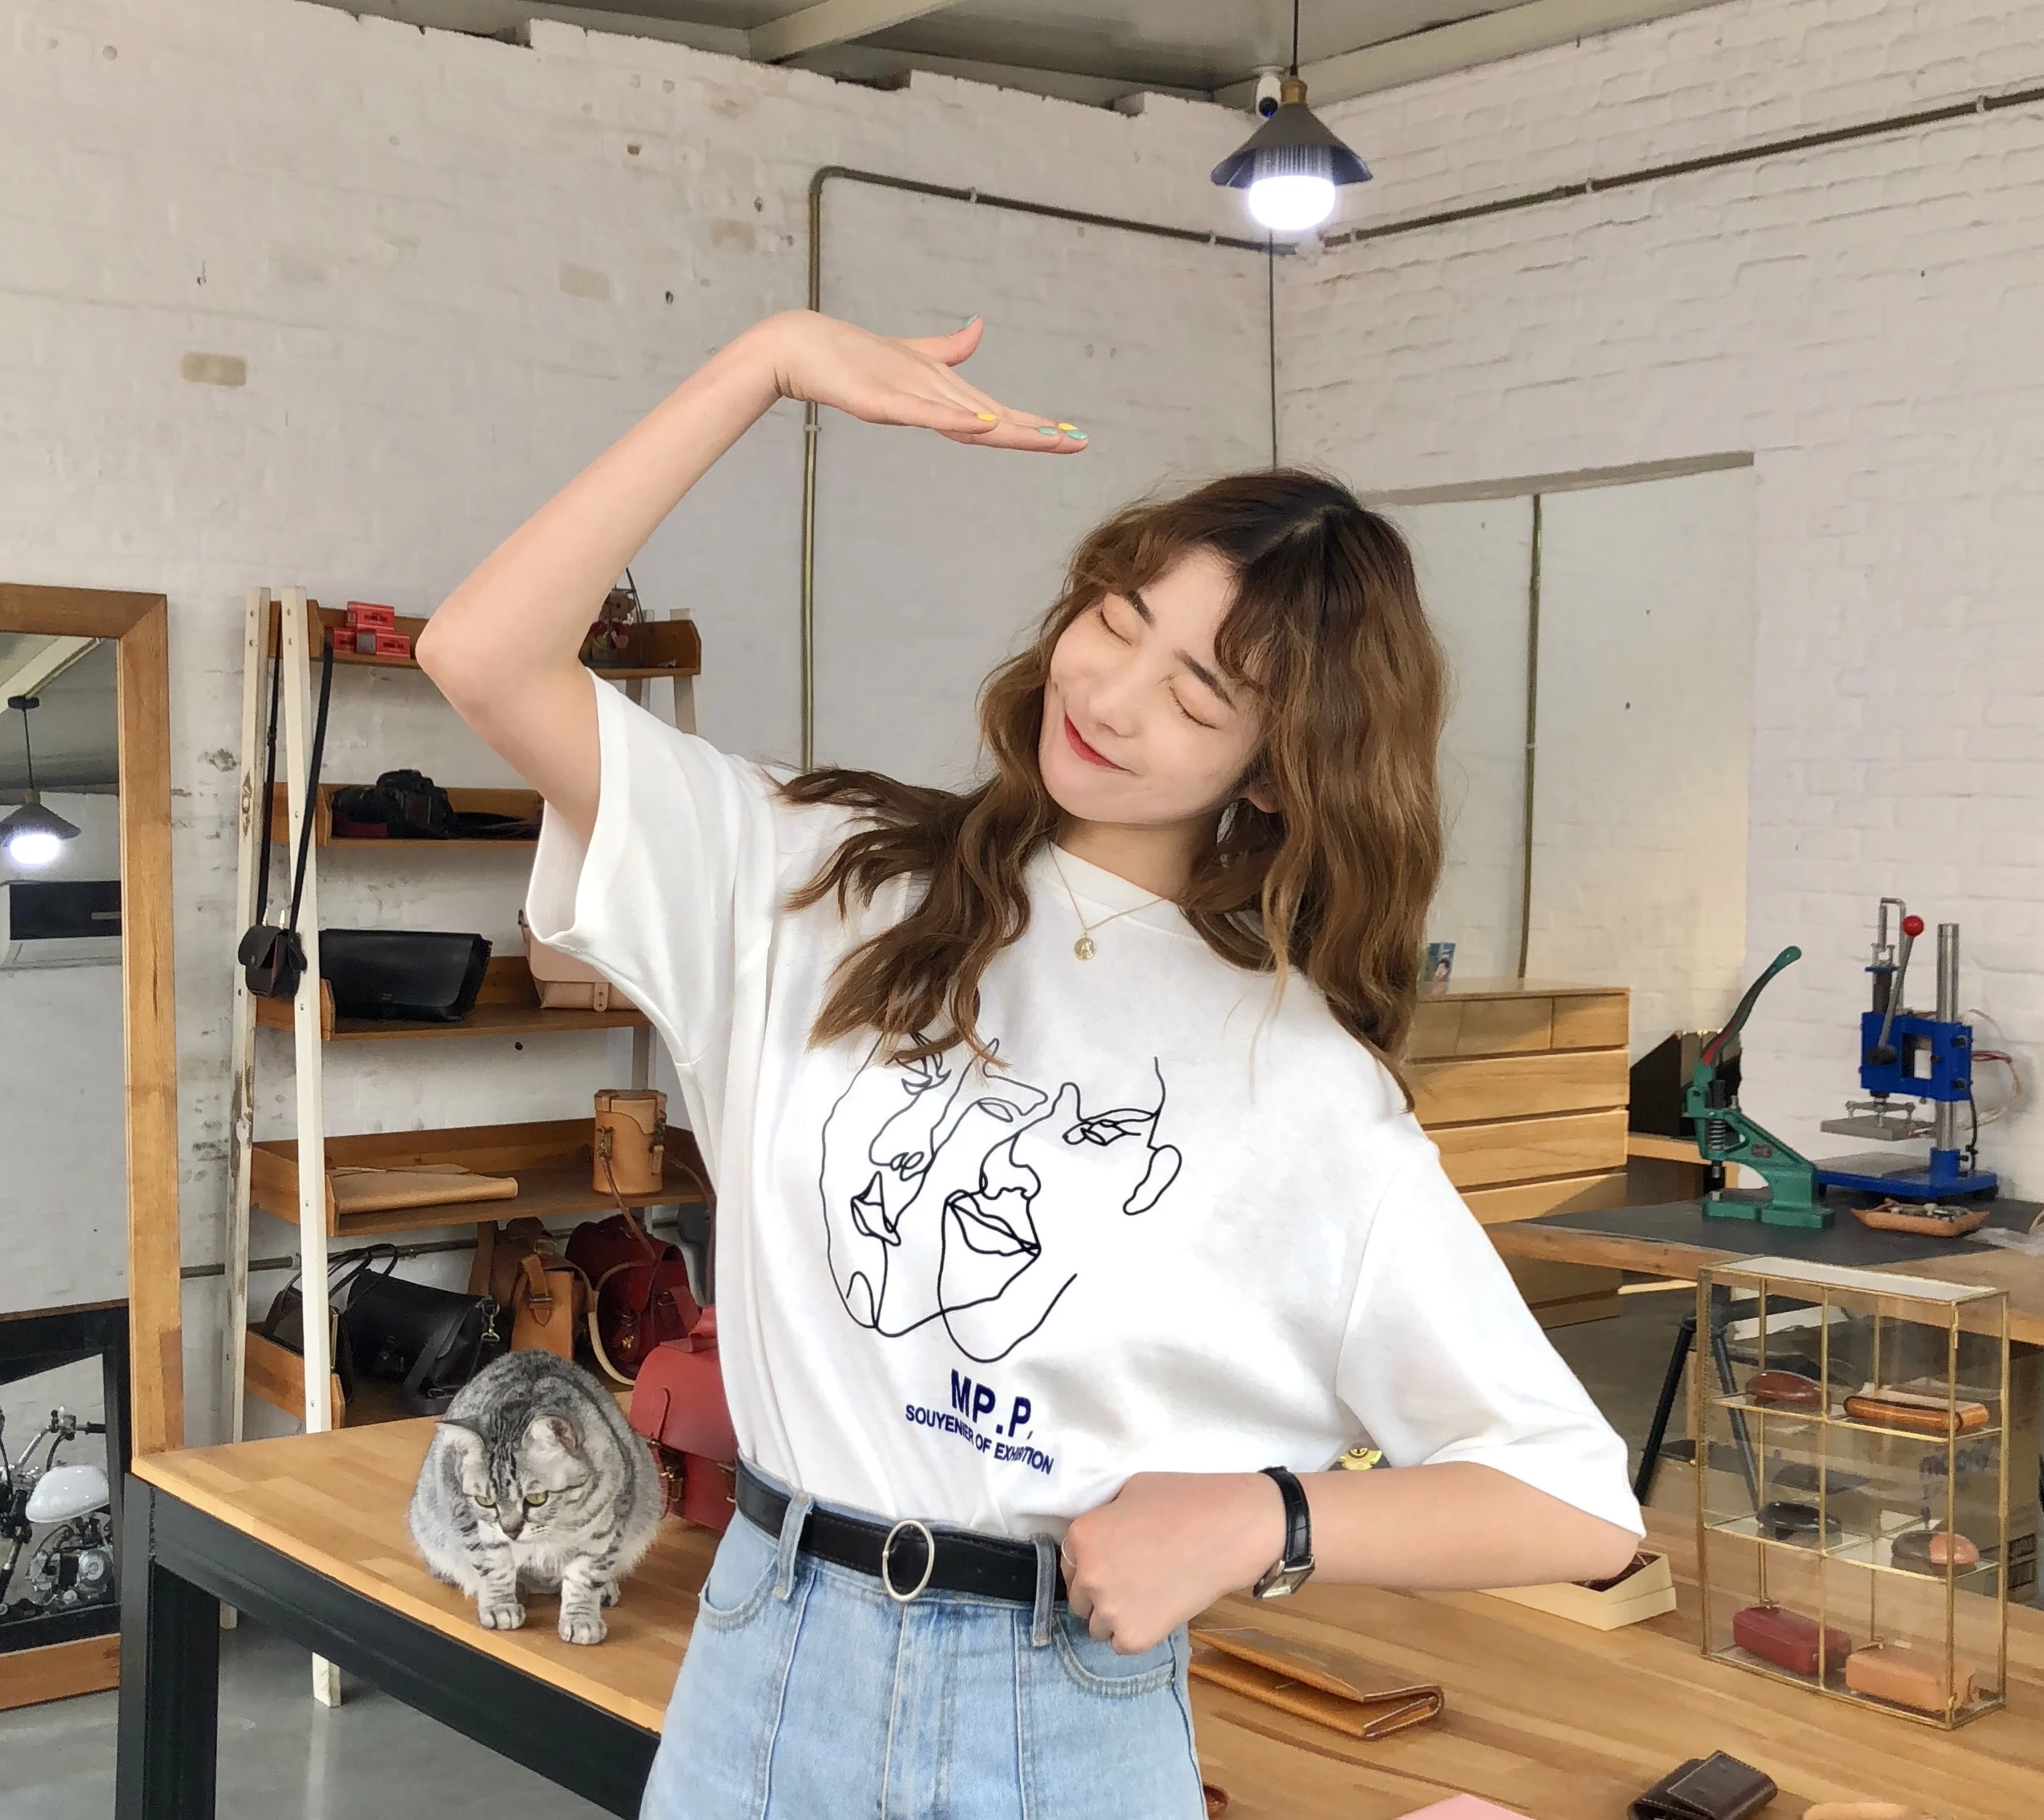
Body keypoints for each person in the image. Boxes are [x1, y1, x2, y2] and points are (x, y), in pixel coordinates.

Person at [419, 311, 1643, 1820]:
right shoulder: (822, 878)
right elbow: (481, 654)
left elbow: (1573, 1498)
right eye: (1118, 619)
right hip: (765, 1665)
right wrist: (768, 360)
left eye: (1197, 692)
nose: (1112, 695)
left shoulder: (1302, 1083)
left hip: (1055, 1712)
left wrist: (1260, 1521)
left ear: (1279, 767)